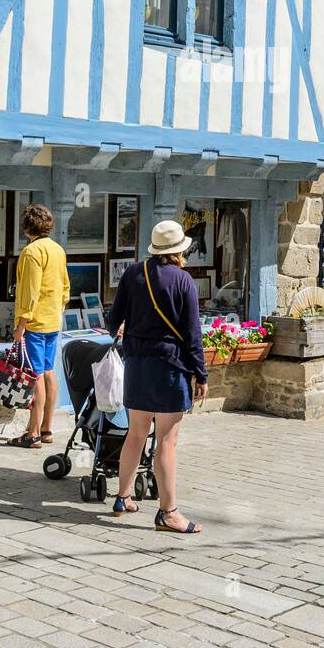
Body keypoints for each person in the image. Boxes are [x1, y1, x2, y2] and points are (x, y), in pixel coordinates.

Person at [107, 220, 208, 533]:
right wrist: (200, 373)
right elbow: (192, 334)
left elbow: (114, 319)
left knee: (135, 433)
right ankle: (168, 512)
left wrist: (125, 332)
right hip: (168, 366)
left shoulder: (133, 274)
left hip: (136, 364)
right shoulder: (183, 281)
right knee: (166, 440)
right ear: (180, 250)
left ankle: (123, 496)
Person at [9, 204, 70, 450]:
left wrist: (21, 324)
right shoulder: (57, 249)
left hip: (35, 322)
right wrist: (57, 309)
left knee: (35, 376)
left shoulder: (32, 252)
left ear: (26, 227)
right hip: (53, 319)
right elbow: (66, 287)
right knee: (48, 372)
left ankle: (32, 433)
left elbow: (29, 292)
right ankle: (46, 428)